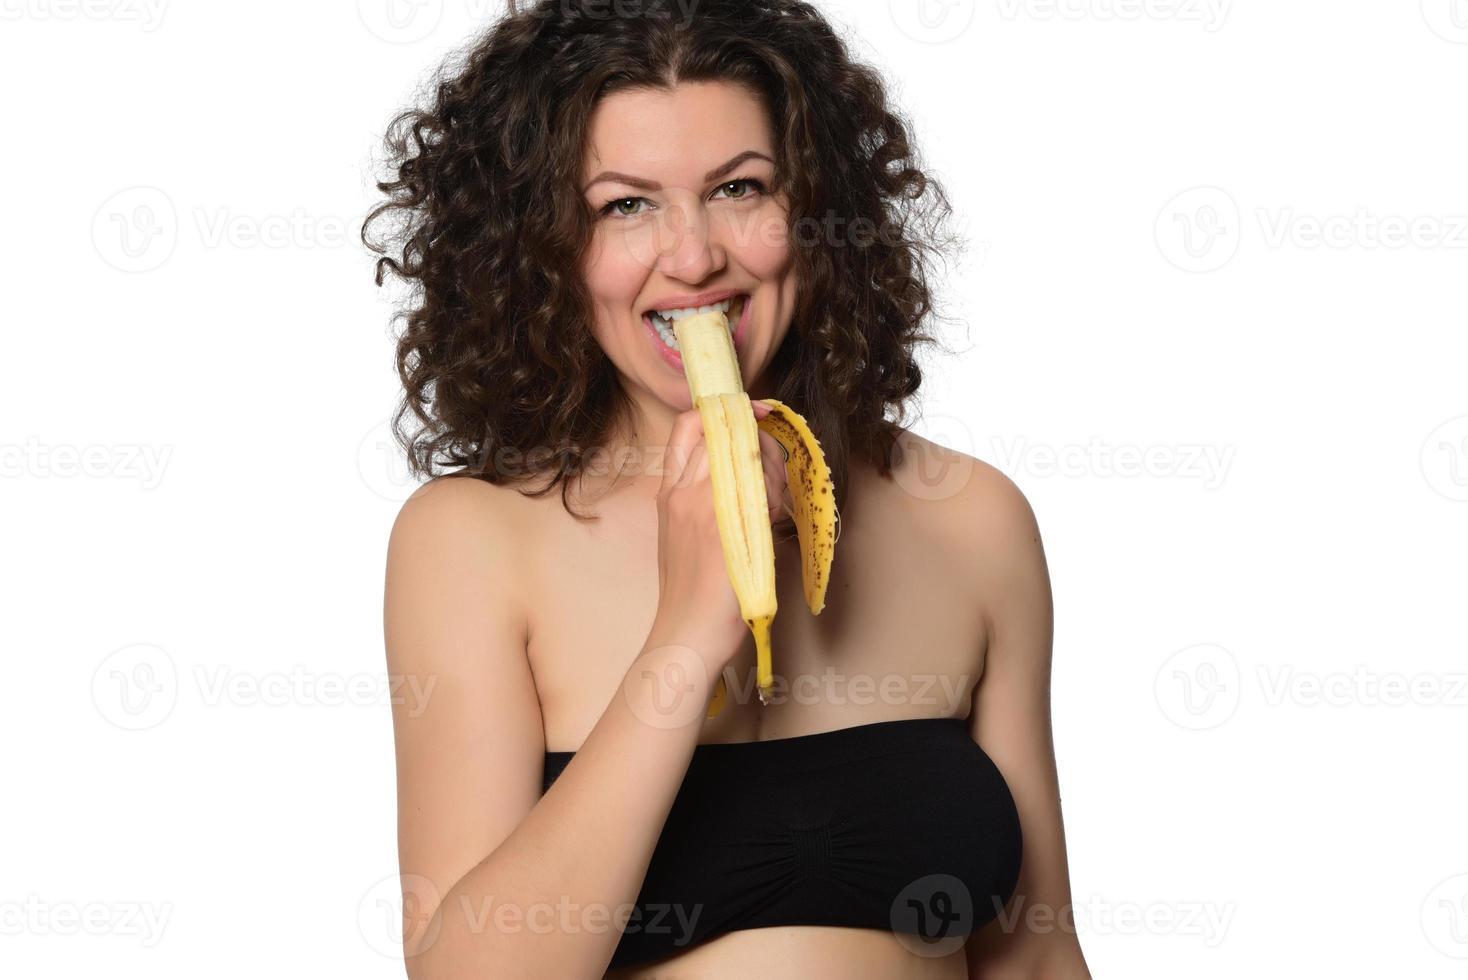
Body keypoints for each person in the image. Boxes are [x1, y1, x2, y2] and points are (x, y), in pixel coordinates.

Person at [365, 2, 1091, 977]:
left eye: (740, 189)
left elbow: (1035, 959)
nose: (697, 255)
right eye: (625, 204)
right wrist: (688, 633)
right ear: (541, 247)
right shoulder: (473, 541)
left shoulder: (968, 519)